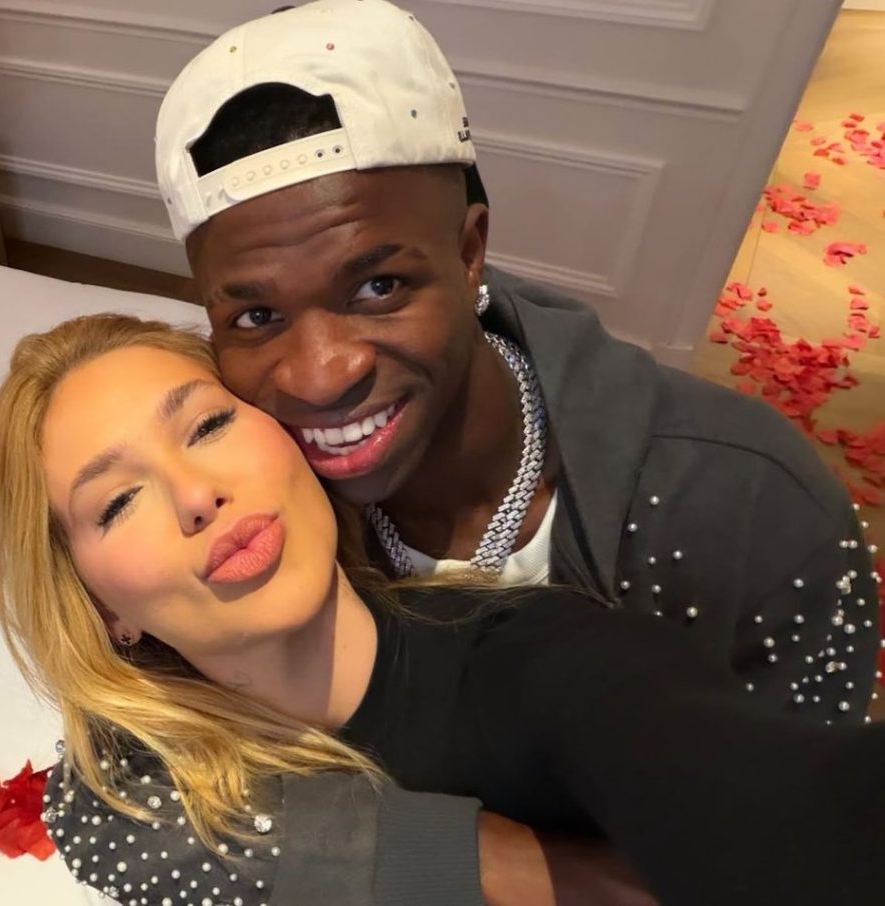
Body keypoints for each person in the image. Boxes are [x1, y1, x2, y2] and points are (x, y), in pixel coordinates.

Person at [77, 1, 881, 902]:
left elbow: (807, 836)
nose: (318, 376)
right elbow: (102, 796)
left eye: (378, 286)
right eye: (257, 315)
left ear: (469, 254)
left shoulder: (749, 509)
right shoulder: (256, 485)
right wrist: (498, 864)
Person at [0, 313, 885, 906]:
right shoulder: (135, 780)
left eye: (209, 426)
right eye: (117, 501)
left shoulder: (540, 655)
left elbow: (796, 825)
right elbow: (87, 814)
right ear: (102, 608)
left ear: (293, 444)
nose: (195, 494)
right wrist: (478, 861)